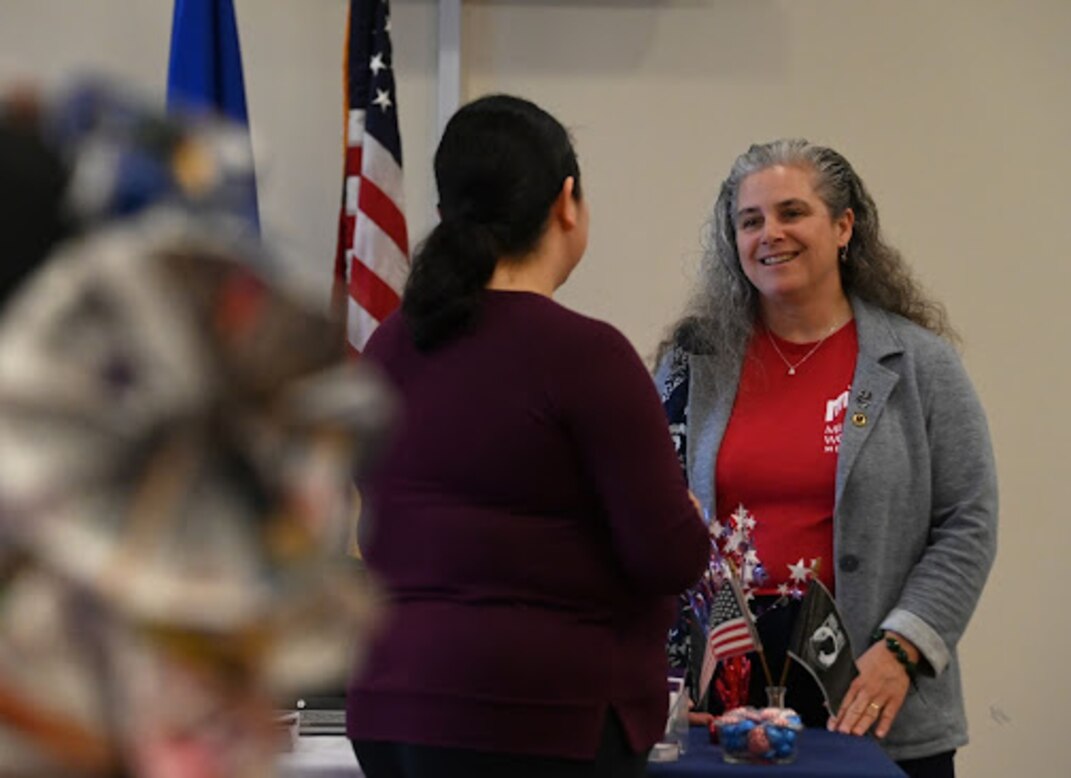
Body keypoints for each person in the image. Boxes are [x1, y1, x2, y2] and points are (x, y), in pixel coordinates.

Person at [346, 94, 710, 778]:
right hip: (542, 716)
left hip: (391, 706)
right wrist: (688, 522)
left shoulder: (390, 347)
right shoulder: (586, 355)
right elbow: (667, 555)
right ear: (566, 202)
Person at [654, 138, 997, 778]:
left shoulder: (919, 364)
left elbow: (968, 522)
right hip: (721, 703)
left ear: (843, 227)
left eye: (791, 212)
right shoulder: (690, 365)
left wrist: (904, 648)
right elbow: (649, 516)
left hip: (875, 693)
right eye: (749, 220)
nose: (769, 234)